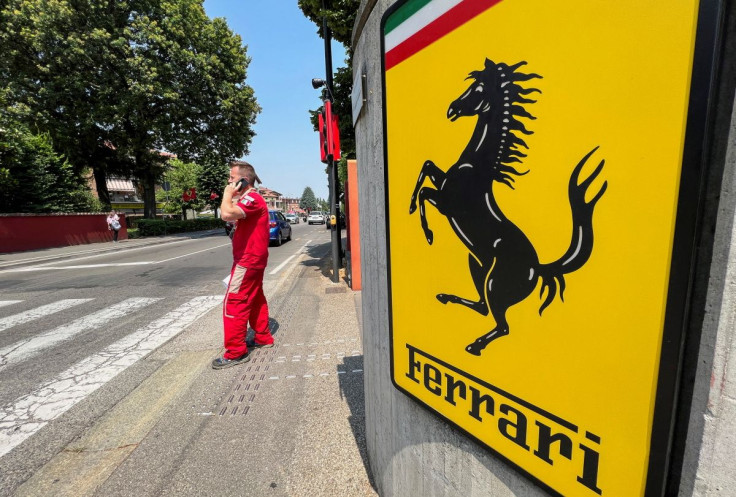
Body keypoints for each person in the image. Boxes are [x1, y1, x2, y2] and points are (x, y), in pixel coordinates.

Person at [213, 162, 274, 369]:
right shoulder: (251, 199)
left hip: (247, 260)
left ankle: (236, 352)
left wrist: (227, 193)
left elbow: (226, 214)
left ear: (242, 180)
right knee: (255, 298)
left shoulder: (251, 198)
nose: (229, 181)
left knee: (235, 302)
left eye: (232, 178)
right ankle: (263, 337)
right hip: (253, 259)